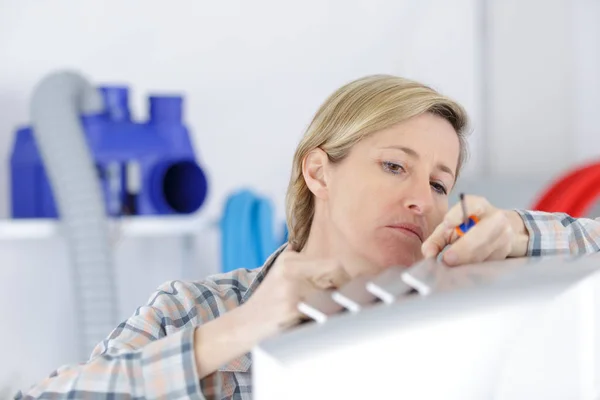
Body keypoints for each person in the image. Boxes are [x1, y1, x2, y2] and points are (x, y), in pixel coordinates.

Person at [16, 74, 600, 400]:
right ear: (317, 170)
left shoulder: (463, 310)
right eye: (395, 166)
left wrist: (523, 232)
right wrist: (242, 331)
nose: (422, 198)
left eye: (440, 182)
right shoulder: (188, 313)